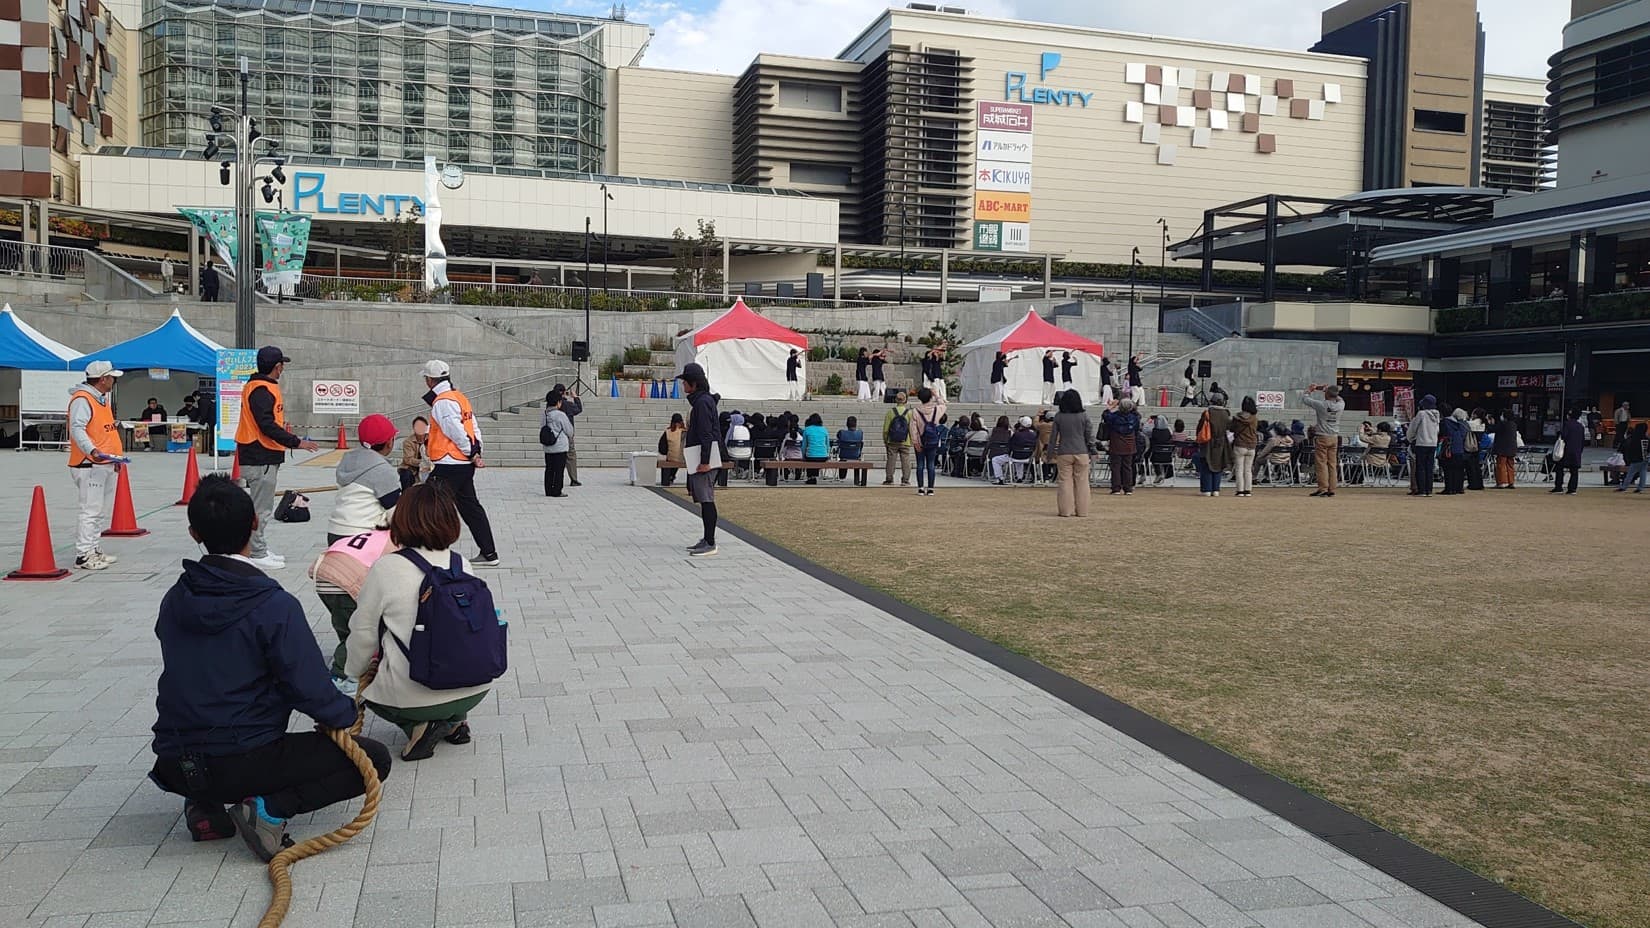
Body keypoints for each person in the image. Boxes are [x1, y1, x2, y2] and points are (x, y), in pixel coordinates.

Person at [149, 474, 392, 860]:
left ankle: (203, 805)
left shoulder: (175, 598)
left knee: (211, 729)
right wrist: (345, 714)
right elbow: (309, 690)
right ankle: (268, 811)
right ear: (255, 524)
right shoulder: (272, 605)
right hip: (242, 759)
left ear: (194, 533)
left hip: (175, 764)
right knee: (374, 760)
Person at [347, 482, 493, 760]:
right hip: (476, 689)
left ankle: (421, 726)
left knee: (374, 695)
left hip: (415, 696)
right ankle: (455, 722)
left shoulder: (386, 567)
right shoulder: (461, 563)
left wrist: (356, 673)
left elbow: (363, 631)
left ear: (401, 520)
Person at [318, 412, 402, 675]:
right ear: (389, 442)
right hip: (363, 538)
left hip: (337, 535)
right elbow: (395, 513)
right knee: (364, 605)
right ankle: (347, 667)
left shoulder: (350, 460)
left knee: (345, 596)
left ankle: (351, 646)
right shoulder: (382, 470)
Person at [237, 347, 321, 571]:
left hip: (260, 455)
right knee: (261, 509)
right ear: (277, 366)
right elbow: (267, 425)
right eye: (282, 364)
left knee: (260, 507)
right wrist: (296, 442)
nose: (283, 369)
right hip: (259, 455)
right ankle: (256, 553)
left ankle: (258, 548)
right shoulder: (261, 390)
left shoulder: (259, 386)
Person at [420, 359, 500, 568]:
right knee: (470, 508)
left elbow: (454, 431)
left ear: (429, 380)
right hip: (462, 463)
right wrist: (476, 450)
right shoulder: (459, 397)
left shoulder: (442, 402)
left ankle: (429, 553)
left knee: (428, 506)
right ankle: (489, 553)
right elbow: (473, 427)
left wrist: (471, 452)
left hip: (450, 463)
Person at [65, 360, 126, 571]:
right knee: (90, 510)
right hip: (89, 463)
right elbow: (77, 428)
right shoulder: (83, 399)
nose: (113, 381)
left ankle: (93, 548)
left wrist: (115, 458)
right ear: (103, 379)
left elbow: (104, 430)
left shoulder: (100, 399)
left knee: (99, 510)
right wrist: (91, 450)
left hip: (105, 462)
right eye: (112, 377)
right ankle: (84, 554)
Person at [678, 362, 721, 556]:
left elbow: (706, 433)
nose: (683, 385)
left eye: (685, 381)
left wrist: (705, 461)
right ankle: (706, 538)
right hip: (701, 455)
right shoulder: (701, 401)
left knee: (707, 499)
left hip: (706, 458)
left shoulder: (702, 403)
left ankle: (710, 542)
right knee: (704, 499)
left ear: (694, 383)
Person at [1049, 388, 1095, 517]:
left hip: (1064, 451)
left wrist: (1049, 453)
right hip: (1081, 451)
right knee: (1082, 482)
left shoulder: (1059, 416)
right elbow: (1089, 435)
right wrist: (1093, 449)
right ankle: (1082, 511)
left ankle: (1065, 511)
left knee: (1065, 482)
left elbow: (1053, 437)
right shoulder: (1084, 416)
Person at [1301, 383, 1345, 498]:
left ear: (1326, 394)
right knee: (1332, 463)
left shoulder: (1321, 405)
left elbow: (1305, 399)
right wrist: (1327, 390)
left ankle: (1323, 488)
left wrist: (1309, 390)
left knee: (1321, 463)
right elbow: (1339, 398)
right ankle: (1332, 488)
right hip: (1334, 437)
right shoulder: (1341, 405)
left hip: (1322, 436)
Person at [910, 386, 948, 496]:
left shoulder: (916, 411)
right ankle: (930, 488)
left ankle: (921, 488)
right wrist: (936, 395)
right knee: (931, 464)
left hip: (920, 440)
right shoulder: (936, 410)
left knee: (920, 464)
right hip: (932, 440)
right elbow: (943, 405)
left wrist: (915, 441)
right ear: (930, 397)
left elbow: (913, 428)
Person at [1194, 392, 1232, 497]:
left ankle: (1206, 489)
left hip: (1208, 442)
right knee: (1218, 465)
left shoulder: (1207, 412)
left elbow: (1200, 427)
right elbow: (1229, 427)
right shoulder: (1226, 413)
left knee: (1206, 464)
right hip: (1221, 442)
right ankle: (1216, 489)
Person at [1101, 398, 1141, 495]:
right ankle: (1128, 488)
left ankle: (1116, 488)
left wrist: (1111, 407)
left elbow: (1105, 415)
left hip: (1116, 444)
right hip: (1129, 444)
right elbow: (1137, 427)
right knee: (1127, 467)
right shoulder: (1134, 418)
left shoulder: (1114, 417)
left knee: (1115, 467)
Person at [540, 391, 573, 497]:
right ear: (558, 402)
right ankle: (557, 491)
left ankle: (548, 490)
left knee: (549, 469)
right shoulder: (560, 415)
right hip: (560, 447)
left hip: (548, 446)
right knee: (559, 470)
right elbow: (569, 431)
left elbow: (542, 427)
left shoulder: (544, 414)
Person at [551, 383, 584, 487]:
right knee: (571, 456)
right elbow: (579, 409)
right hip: (566, 434)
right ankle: (573, 479)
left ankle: (553, 478)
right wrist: (575, 397)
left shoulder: (551, 405)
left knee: (555, 457)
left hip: (554, 435)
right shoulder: (568, 405)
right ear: (564, 392)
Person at [1409, 394, 1441, 497]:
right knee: (1429, 467)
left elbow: (1413, 428)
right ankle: (1429, 490)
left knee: (1421, 467)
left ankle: (1422, 490)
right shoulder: (1437, 415)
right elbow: (1437, 430)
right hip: (1433, 444)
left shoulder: (1421, 414)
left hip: (1421, 443)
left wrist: (1411, 438)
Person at [1229, 396, 1259, 497]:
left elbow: (1232, 429)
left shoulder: (1237, 418)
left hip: (1240, 444)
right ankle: (1248, 490)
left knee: (1239, 469)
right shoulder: (1254, 418)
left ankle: (1240, 490)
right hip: (1251, 445)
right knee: (1248, 469)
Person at [882, 391, 914, 486]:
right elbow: (911, 428)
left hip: (892, 440)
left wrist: (885, 440)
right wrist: (912, 439)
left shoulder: (890, 412)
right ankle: (905, 480)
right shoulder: (909, 413)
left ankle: (889, 479)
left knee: (891, 460)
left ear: (896, 399)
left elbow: (886, 429)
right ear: (905, 400)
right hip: (905, 440)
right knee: (906, 460)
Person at [1551, 407, 1585, 495]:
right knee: (1574, 471)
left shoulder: (1567, 424)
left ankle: (1559, 487)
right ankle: (1572, 489)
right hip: (1576, 451)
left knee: (1559, 468)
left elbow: (1563, 436)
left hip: (1566, 450)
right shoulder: (1581, 426)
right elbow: (1582, 441)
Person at [1440, 408, 1470, 495]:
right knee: (1459, 469)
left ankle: (1449, 488)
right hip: (1460, 448)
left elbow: (1442, 434)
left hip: (1449, 448)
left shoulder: (1445, 422)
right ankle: (1459, 488)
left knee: (1448, 469)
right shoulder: (1462, 424)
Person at [398, 416, 431, 490]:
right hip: (410, 468)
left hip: (428, 466)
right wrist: (424, 462)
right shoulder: (407, 441)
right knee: (406, 475)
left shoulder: (431, 438)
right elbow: (408, 460)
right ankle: (406, 494)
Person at [1614, 421, 1649, 492]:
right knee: (1643, 473)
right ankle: (1640, 488)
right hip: (1645, 458)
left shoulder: (1634, 438)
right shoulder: (1646, 438)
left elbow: (1629, 449)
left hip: (1636, 458)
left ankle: (1624, 487)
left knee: (1630, 473)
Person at [1490, 411, 1519, 489]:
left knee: (1501, 465)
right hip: (1512, 448)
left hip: (1502, 448)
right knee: (1510, 465)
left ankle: (1502, 482)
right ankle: (1511, 482)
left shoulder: (1503, 424)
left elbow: (1493, 429)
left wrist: (1491, 423)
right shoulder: (1514, 424)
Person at [836, 415, 866, 485]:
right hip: (855, 455)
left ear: (847, 424)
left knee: (843, 456)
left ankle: (842, 476)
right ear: (856, 424)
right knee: (855, 455)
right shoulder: (860, 433)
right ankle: (857, 478)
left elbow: (838, 438)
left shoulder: (841, 432)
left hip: (843, 455)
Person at [801, 412, 830, 484]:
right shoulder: (824, 430)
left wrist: (803, 455)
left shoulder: (807, 430)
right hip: (823, 456)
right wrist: (827, 454)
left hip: (811, 456)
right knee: (816, 457)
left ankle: (811, 477)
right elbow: (827, 445)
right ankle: (814, 477)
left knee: (811, 457)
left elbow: (804, 446)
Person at [659, 413, 687, 486]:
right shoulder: (685, 432)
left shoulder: (668, 432)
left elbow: (662, 447)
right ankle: (672, 476)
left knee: (671, 459)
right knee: (678, 458)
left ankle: (670, 477)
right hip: (684, 458)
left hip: (671, 457)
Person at [987, 415, 1014, 484]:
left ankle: (996, 476)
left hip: (994, 452)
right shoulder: (1010, 432)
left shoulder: (993, 430)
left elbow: (989, 439)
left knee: (993, 459)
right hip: (1005, 451)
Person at [1148, 414, 1175, 484]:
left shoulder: (1154, 431)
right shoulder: (1168, 432)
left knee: (1151, 455)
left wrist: (1149, 422)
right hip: (1167, 456)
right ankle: (1167, 473)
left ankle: (1158, 473)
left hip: (1156, 456)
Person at [1467, 408, 1487, 491]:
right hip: (1478, 445)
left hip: (1471, 444)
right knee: (1477, 465)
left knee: (1471, 465)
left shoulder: (1473, 423)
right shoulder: (1483, 423)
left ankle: (1473, 484)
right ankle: (1479, 483)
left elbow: (1467, 426)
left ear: (1475, 414)